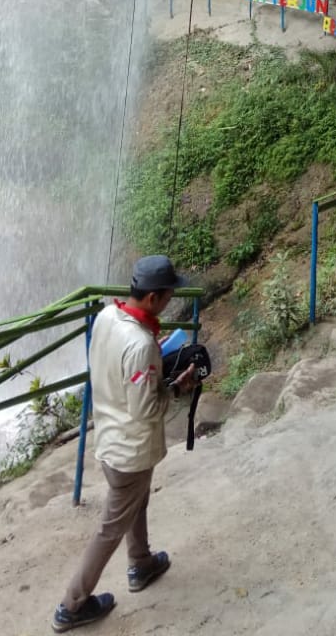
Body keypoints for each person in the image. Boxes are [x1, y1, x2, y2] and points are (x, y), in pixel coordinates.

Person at [52, 255, 198, 633]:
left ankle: (142, 563)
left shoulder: (107, 317)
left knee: (138, 501)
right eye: (167, 296)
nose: (170, 302)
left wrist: (152, 355)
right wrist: (177, 386)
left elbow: (121, 362)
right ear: (151, 298)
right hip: (130, 451)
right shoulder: (141, 345)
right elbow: (147, 408)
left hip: (109, 437)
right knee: (109, 529)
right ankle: (71, 606)